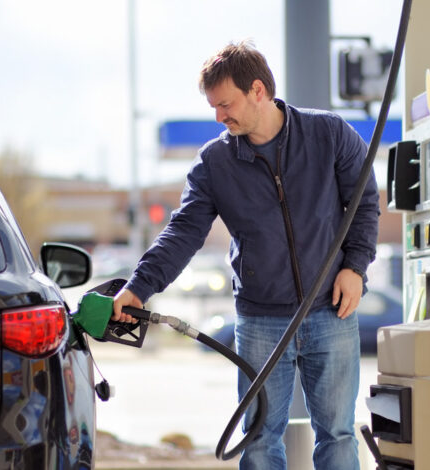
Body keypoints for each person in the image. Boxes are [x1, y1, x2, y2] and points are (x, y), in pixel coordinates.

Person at [112, 40, 379, 470]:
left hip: (331, 311)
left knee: (338, 435)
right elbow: (183, 232)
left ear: (258, 90)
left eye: (225, 104)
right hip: (260, 319)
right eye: (214, 107)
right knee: (258, 442)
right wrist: (138, 288)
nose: (219, 116)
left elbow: (365, 202)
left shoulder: (328, 134)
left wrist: (355, 267)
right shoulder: (215, 163)